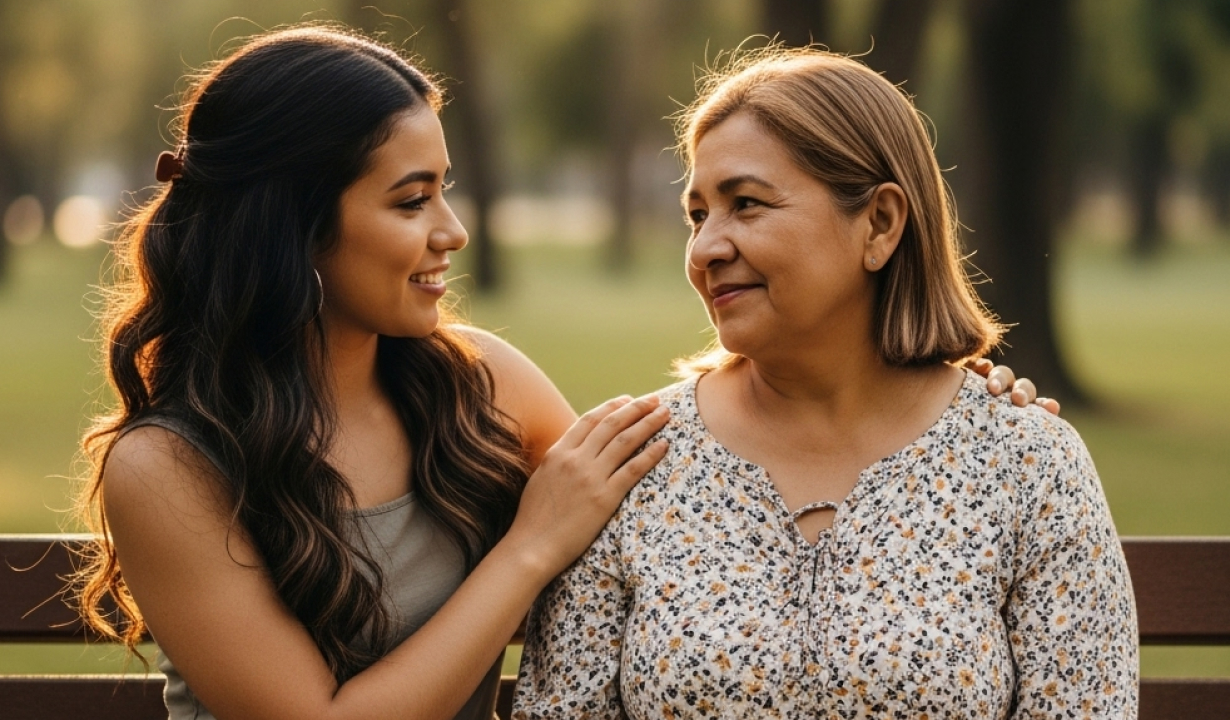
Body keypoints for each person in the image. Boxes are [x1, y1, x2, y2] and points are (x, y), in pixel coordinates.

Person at [74, 27, 1049, 720]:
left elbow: (691, 484)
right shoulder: (169, 470)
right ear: (294, 225)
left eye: (444, 190)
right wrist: (527, 551)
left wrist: (941, 413)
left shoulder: (475, 383)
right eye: (412, 200)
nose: (451, 232)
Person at [514, 46, 1137, 719]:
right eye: (698, 215)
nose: (703, 250)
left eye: (745, 204)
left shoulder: (1028, 463)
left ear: (880, 223)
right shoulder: (631, 464)